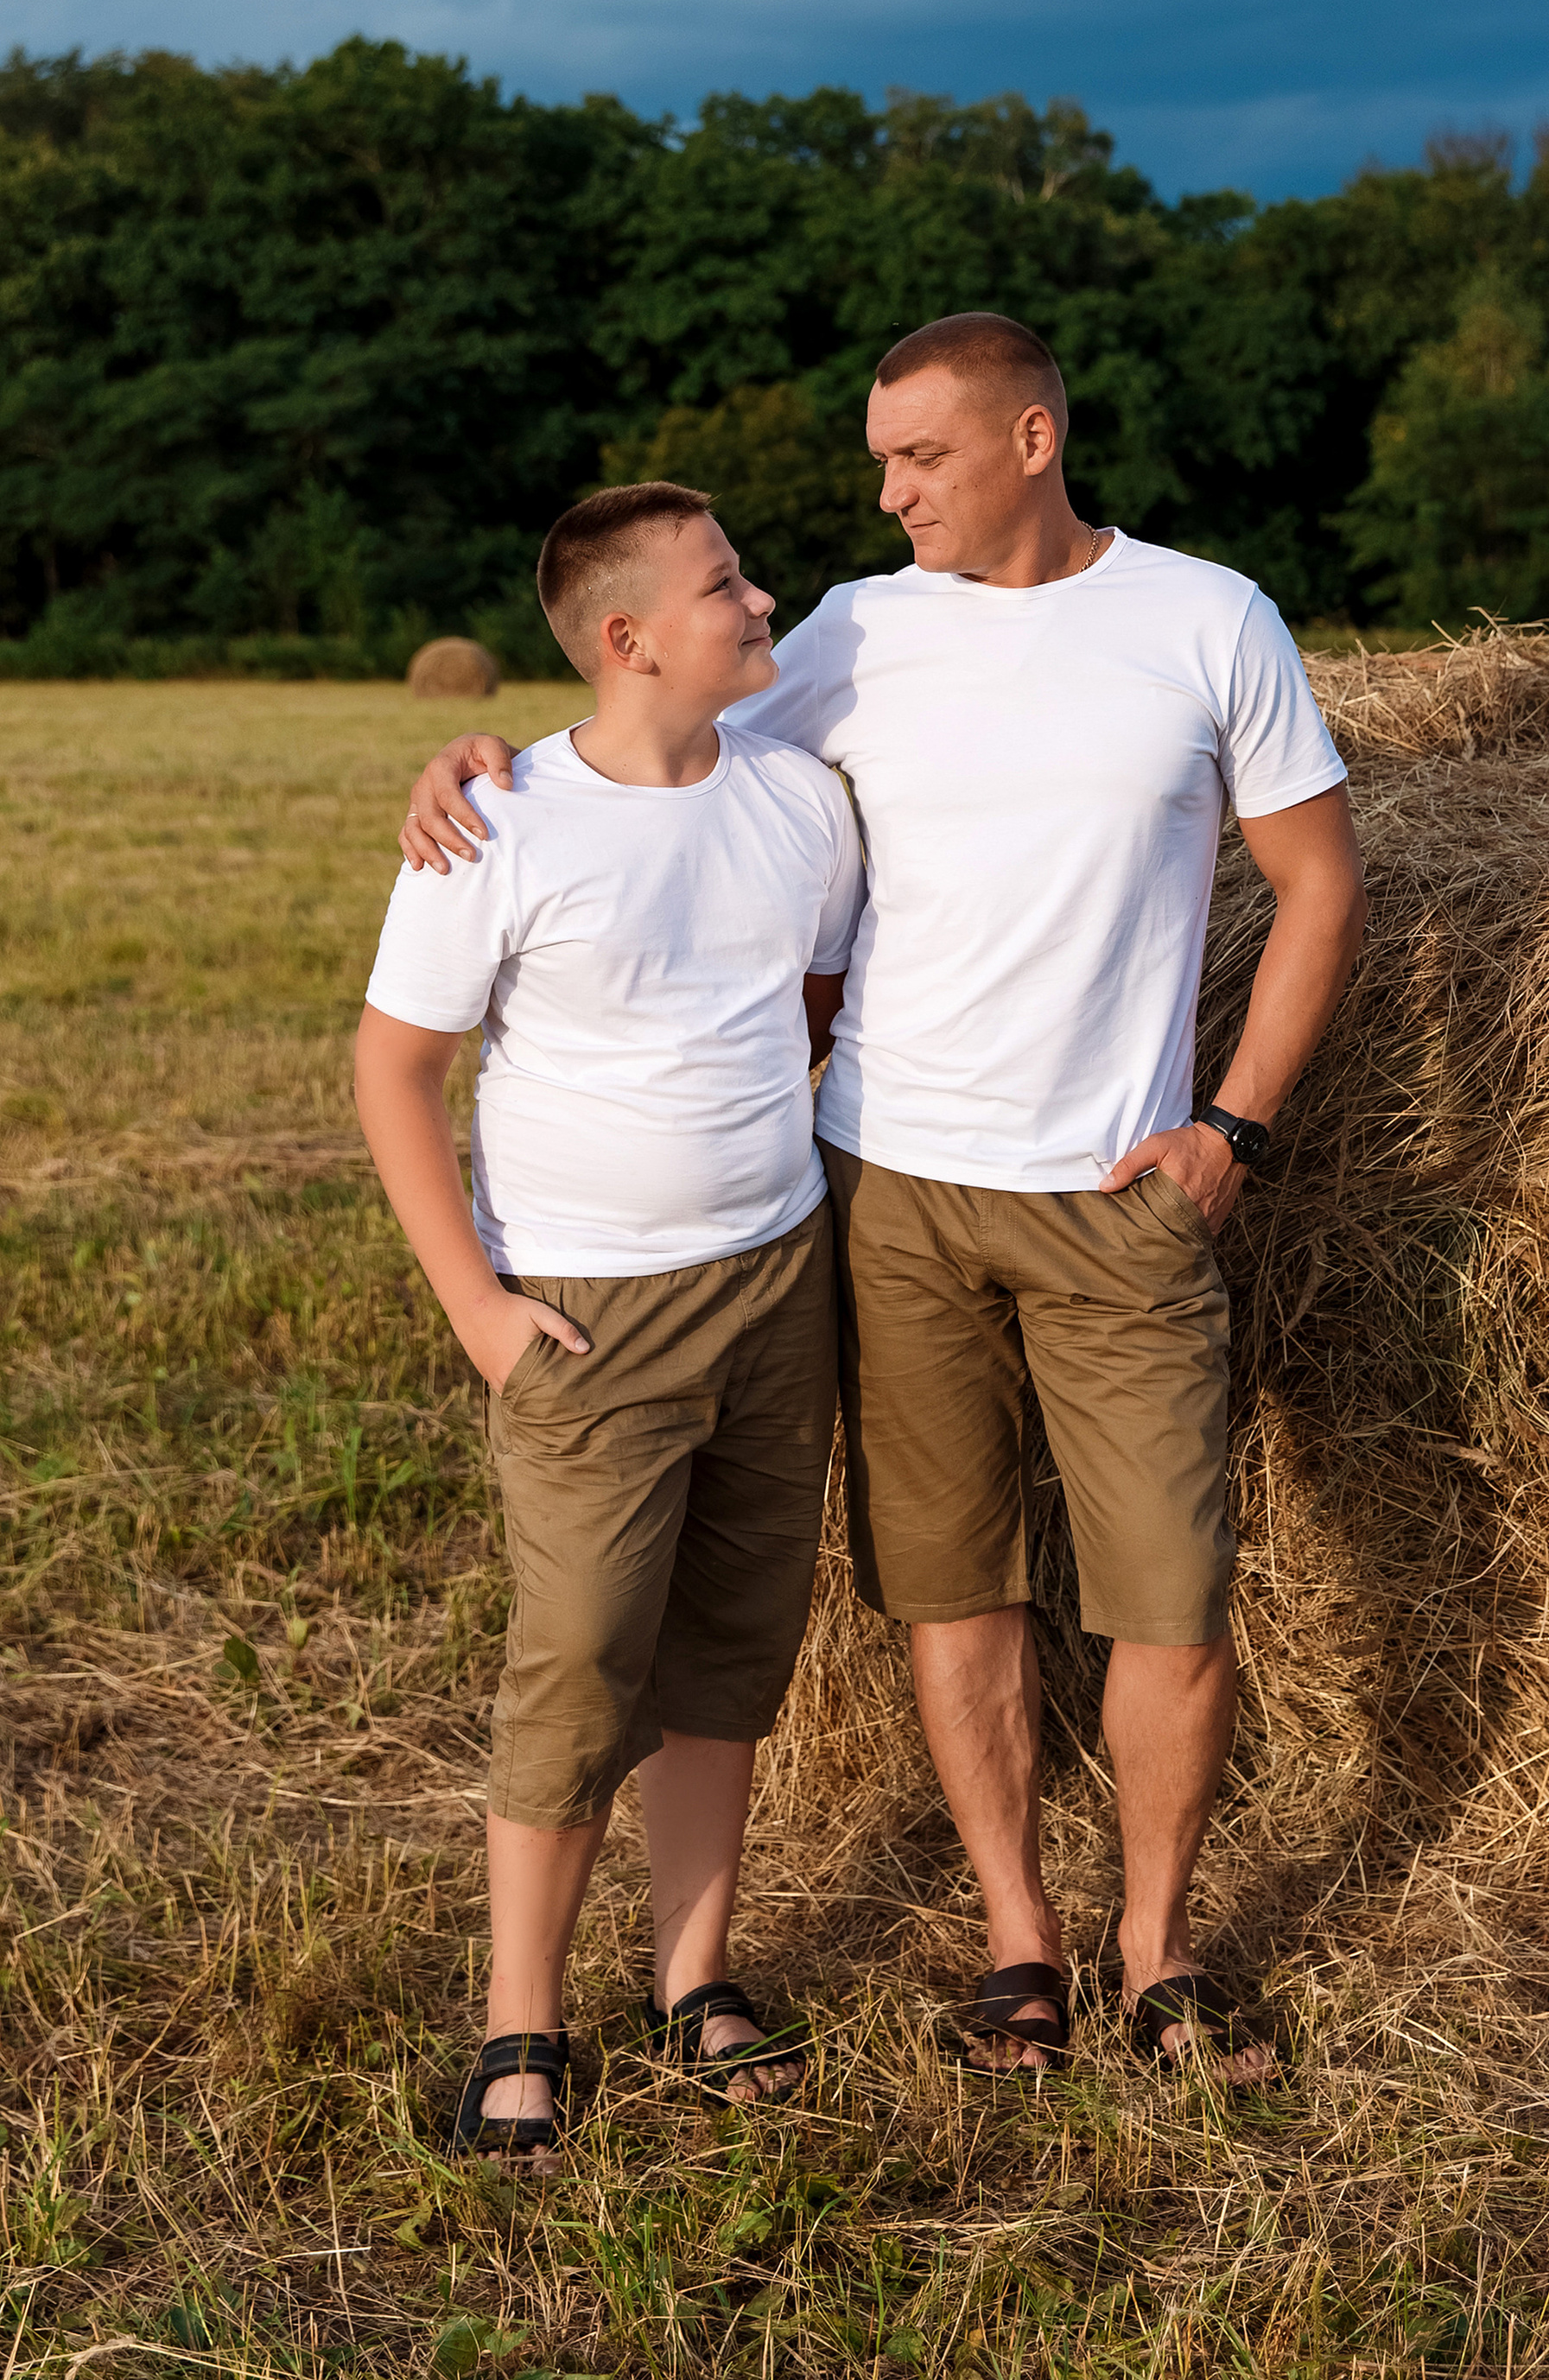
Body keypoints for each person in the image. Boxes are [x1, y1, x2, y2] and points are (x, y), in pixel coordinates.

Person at [401, 315, 1366, 2084]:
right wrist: (481, 759)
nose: (886, 493)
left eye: (918, 457)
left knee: (1169, 1595)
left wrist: (1233, 1124)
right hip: (887, 1189)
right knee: (947, 1586)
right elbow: (639, 728)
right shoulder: (855, 628)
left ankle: (1158, 1951)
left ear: (1030, 438)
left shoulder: (1208, 618)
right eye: (879, 462)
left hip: (1120, 1192)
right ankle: (1018, 1941)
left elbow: (1318, 880)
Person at [357, 481, 863, 2159]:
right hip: (579, 1314)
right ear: (630, 635)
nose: (761, 597)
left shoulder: (800, 801)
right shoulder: (499, 821)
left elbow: (803, 1004)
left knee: (729, 1647)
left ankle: (692, 1977)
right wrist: (479, 1308)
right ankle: (523, 2015)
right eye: (726, 582)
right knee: (578, 1657)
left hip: (776, 1280)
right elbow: (395, 1069)